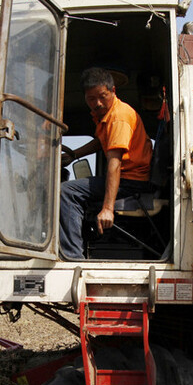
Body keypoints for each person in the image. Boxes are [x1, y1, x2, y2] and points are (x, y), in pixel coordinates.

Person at [58, 67, 153, 260]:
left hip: (132, 180)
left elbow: (114, 163)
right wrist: (74, 155)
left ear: (113, 91)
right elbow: (100, 141)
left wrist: (108, 209)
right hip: (130, 177)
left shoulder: (118, 117)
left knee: (66, 192)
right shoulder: (107, 114)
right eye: (91, 99)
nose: (97, 103)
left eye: (102, 96)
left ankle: (72, 258)